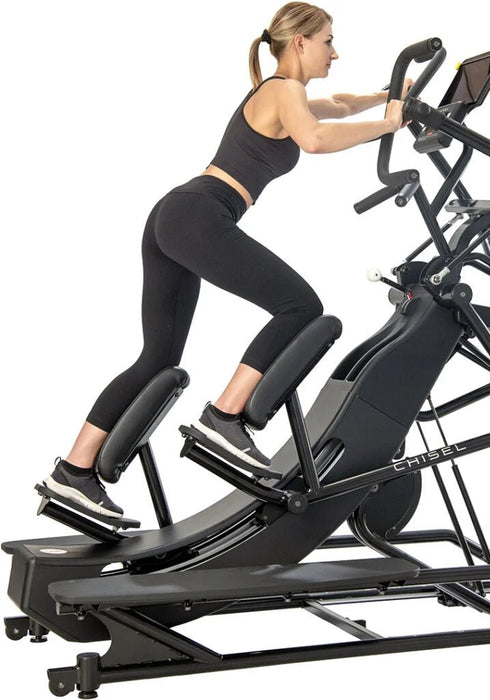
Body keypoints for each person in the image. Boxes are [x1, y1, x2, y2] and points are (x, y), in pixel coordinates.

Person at [43, 1, 407, 519]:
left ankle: (73, 473)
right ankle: (224, 417)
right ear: (300, 43)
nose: (336, 52)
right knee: (299, 306)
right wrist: (389, 125)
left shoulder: (284, 92)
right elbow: (316, 139)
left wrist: (386, 99)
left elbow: (340, 107)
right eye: (329, 41)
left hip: (178, 215)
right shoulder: (283, 91)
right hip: (198, 214)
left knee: (157, 360)